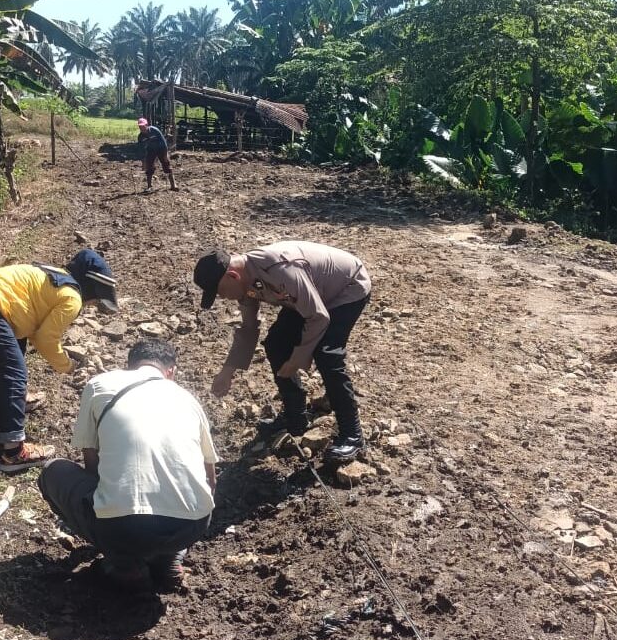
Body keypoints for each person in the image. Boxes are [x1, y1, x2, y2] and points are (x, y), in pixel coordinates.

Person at [38, 338, 217, 591]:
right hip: (192, 527)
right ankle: (168, 559)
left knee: (52, 471)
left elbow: (92, 466)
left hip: (123, 529)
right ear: (171, 372)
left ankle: (126, 565)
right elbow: (211, 480)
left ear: (130, 366)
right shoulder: (189, 400)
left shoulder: (101, 384)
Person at [194, 241, 371, 463]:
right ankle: (296, 417)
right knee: (276, 343)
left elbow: (318, 317)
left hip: (346, 287)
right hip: (309, 295)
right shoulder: (246, 284)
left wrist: (297, 359)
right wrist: (227, 371)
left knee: (326, 353)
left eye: (219, 292)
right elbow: (249, 329)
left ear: (232, 276)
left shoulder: (281, 270)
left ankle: (352, 434)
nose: (222, 298)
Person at [0, 249, 118, 473]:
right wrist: (67, 365)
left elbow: (27, 323)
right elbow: (46, 339)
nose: (91, 305)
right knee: (14, 375)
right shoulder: (72, 297)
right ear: (91, 287)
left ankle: (19, 401)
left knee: (16, 344)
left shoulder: (49, 274)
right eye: (94, 301)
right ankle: (13, 453)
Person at [137, 117, 177, 191]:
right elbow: (141, 149)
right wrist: (143, 160)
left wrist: (165, 155)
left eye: (143, 126)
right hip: (151, 151)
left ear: (146, 125)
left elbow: (164, 143)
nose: (141, 128)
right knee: (149, 167)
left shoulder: (154, 130)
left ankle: (173, 185)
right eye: (140, 126)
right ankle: (149, 186)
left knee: (166, 165)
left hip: (161, 149)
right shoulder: (140, 137)